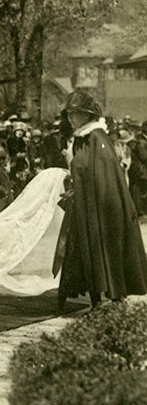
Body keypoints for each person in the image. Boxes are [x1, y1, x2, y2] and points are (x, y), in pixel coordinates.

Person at [54, 90, 147, 310]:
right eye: (69, 115)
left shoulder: (97, 138)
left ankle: (114, 296)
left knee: (102, 247)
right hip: (86, 204)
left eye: (75, 114)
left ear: (87, 116)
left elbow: (103, 175)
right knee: (84, 249)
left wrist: (75, 170)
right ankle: (95, 299)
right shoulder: (83, 138)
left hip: (101, 207)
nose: (70, 118)